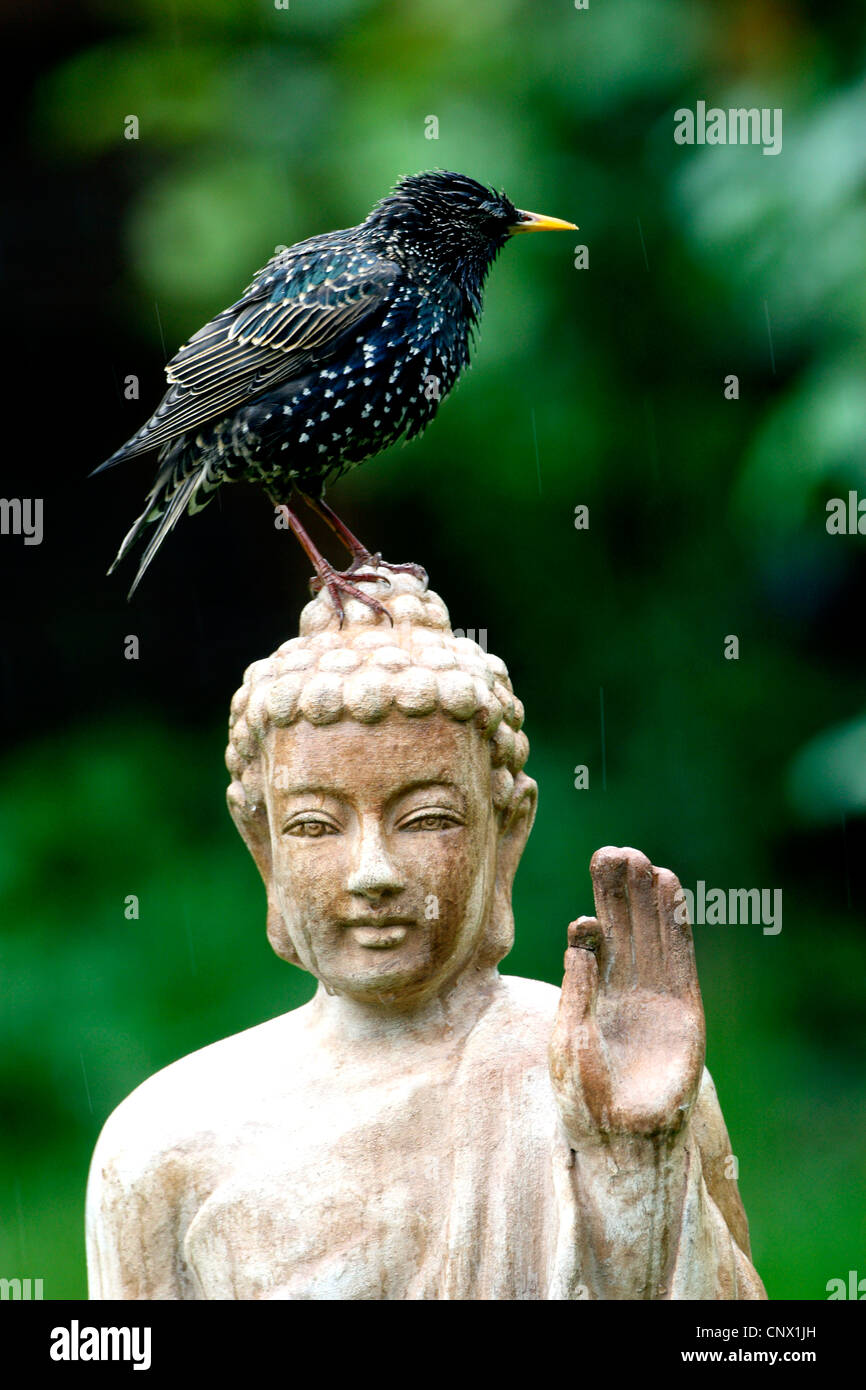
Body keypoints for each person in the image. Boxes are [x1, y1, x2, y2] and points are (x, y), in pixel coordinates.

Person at [86, 573, 766, 1300]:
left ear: (507, 832)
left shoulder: (618, 1070)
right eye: (315, 826)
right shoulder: (165, 1144)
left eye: (428, 820)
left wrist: (638, 1172)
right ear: (263, 847)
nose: (373, 873)